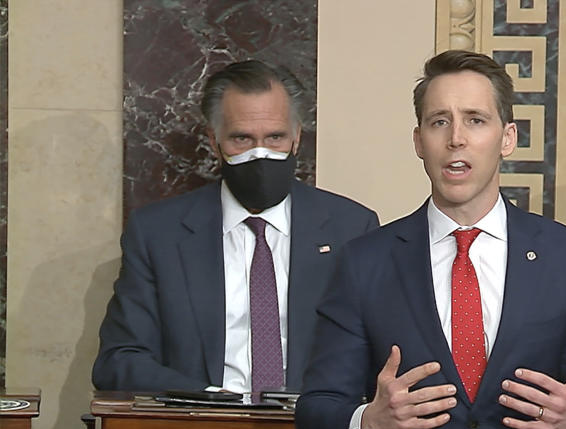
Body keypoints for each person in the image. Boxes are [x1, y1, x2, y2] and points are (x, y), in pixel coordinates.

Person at [295, 50, 566, 429]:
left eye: (475, 120)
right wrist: (370, 419)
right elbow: (315, 412)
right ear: (418, 141)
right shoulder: (365, 261)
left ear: (507, 137)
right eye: (438, 122)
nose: (456, 138)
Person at [93, 60, 379, 393]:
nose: (260, 155)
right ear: (214, 141)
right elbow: (119, 360)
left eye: (275, 138)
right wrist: (209, 400)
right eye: (242, 139)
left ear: (297, 137)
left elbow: (377, 356)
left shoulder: (352, 228)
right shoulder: (158, 233)